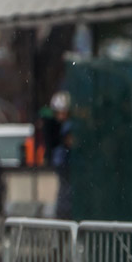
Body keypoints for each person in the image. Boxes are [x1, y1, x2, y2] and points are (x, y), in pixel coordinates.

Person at [47, 91, 74, 220]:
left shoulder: (69, 127)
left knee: (66, 195)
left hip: (69, 168)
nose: (59, 116)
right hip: (64, 168)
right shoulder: (58, 128)